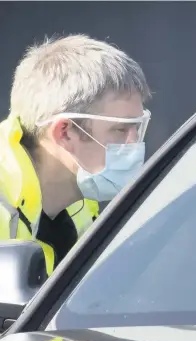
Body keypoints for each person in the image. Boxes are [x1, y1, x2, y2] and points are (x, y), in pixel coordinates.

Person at [0, 34, 151, 275]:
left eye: (138, 127)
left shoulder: (81, 201)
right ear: (65, 132)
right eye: (121, 129)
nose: (134, 144)